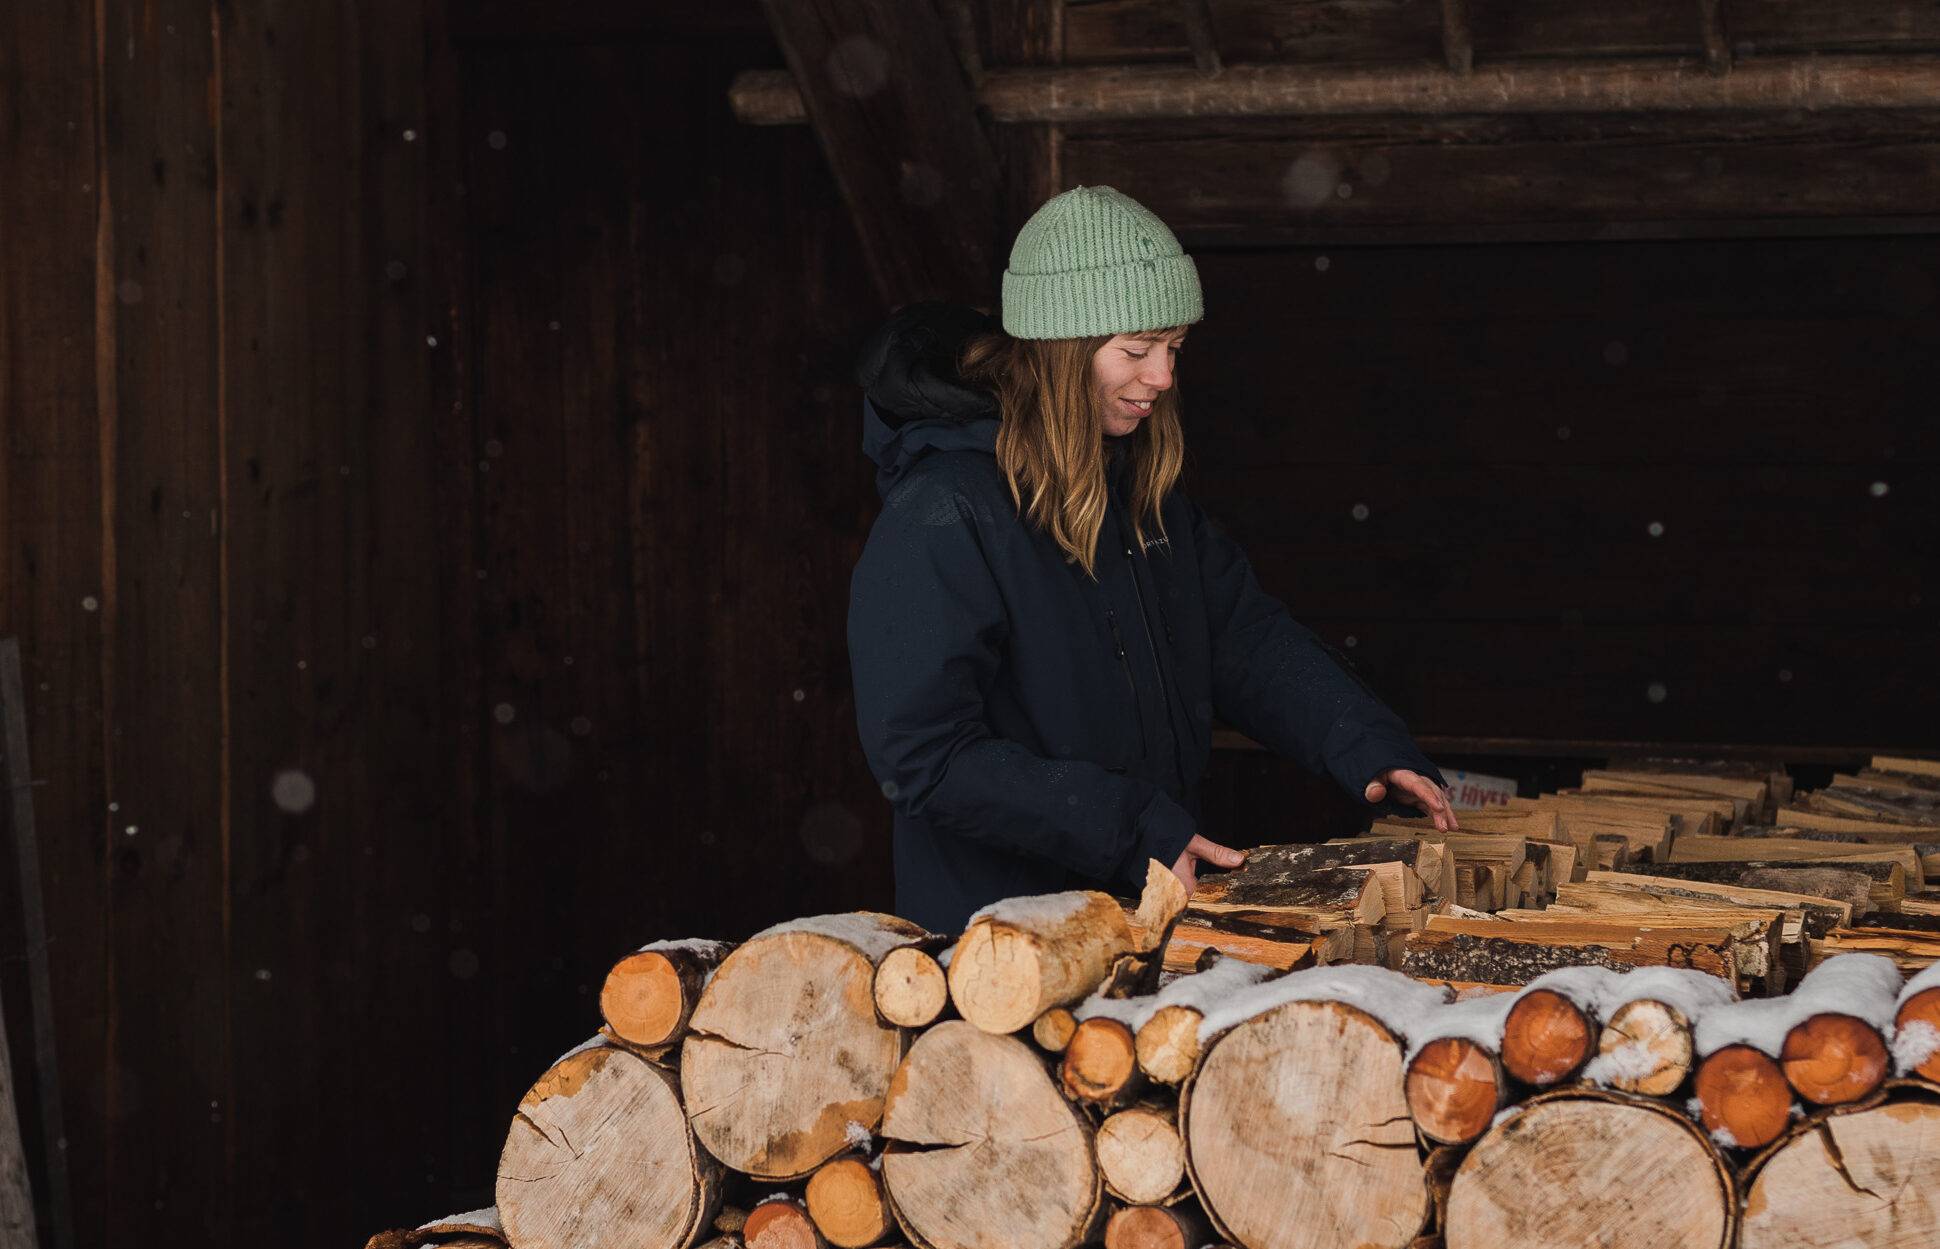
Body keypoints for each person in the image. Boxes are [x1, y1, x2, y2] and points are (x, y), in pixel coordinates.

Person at [847, 185, 1456, 934]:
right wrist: (1128, 823)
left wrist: (1362, 742)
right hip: (1001, 943)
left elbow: (1242, 638)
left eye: (1174, 348)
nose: (1163, 377)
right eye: (1136, 350)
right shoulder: (943, 512)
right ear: (1061, 350)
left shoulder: (1135, 488)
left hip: (1142, 910)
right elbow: (926, 756)